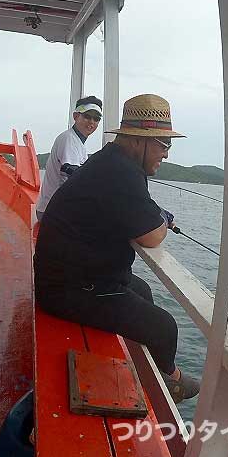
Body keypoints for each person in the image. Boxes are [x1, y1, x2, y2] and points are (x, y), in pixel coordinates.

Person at [34, 94, 200, 403]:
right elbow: (152, 235)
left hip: (72, 274)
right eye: (163, 145)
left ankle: (152, 371)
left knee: (143, 290)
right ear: (139, 141)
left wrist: (154, 217)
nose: (166, 153)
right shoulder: (122, 173)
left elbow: (142, 211)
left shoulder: (111, 160)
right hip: (67, 288)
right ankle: (172, 384)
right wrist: (162, 221)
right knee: (165, 327)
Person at [35, 96, 102, 222]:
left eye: (96, 119)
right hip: (52, 211)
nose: (92, 122)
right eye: (87, 116)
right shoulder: (69, 139)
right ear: (76, 116)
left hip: (57, 208)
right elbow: (70, 170)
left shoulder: (78, 142)